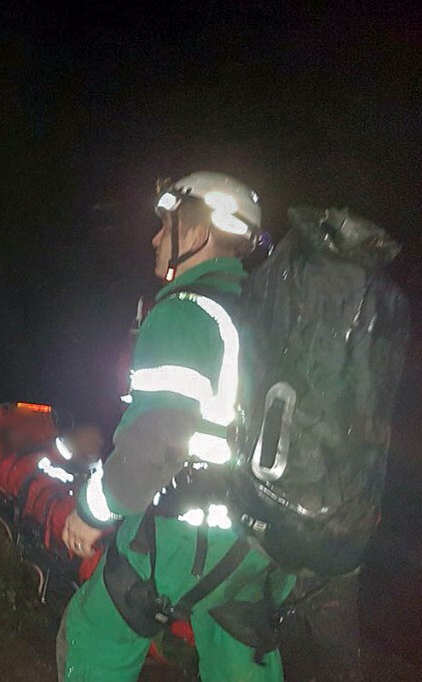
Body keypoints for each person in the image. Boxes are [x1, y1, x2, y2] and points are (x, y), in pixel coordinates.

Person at [57, 171, 295, 681]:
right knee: (241, 662)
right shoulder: (262, 318)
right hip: (264, 545)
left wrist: (90, 512)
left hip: (189, 540)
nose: (156, 239)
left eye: (166, 226)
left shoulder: (186, 315)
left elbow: (154, 443)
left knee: (93, 633)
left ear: (199, 233)